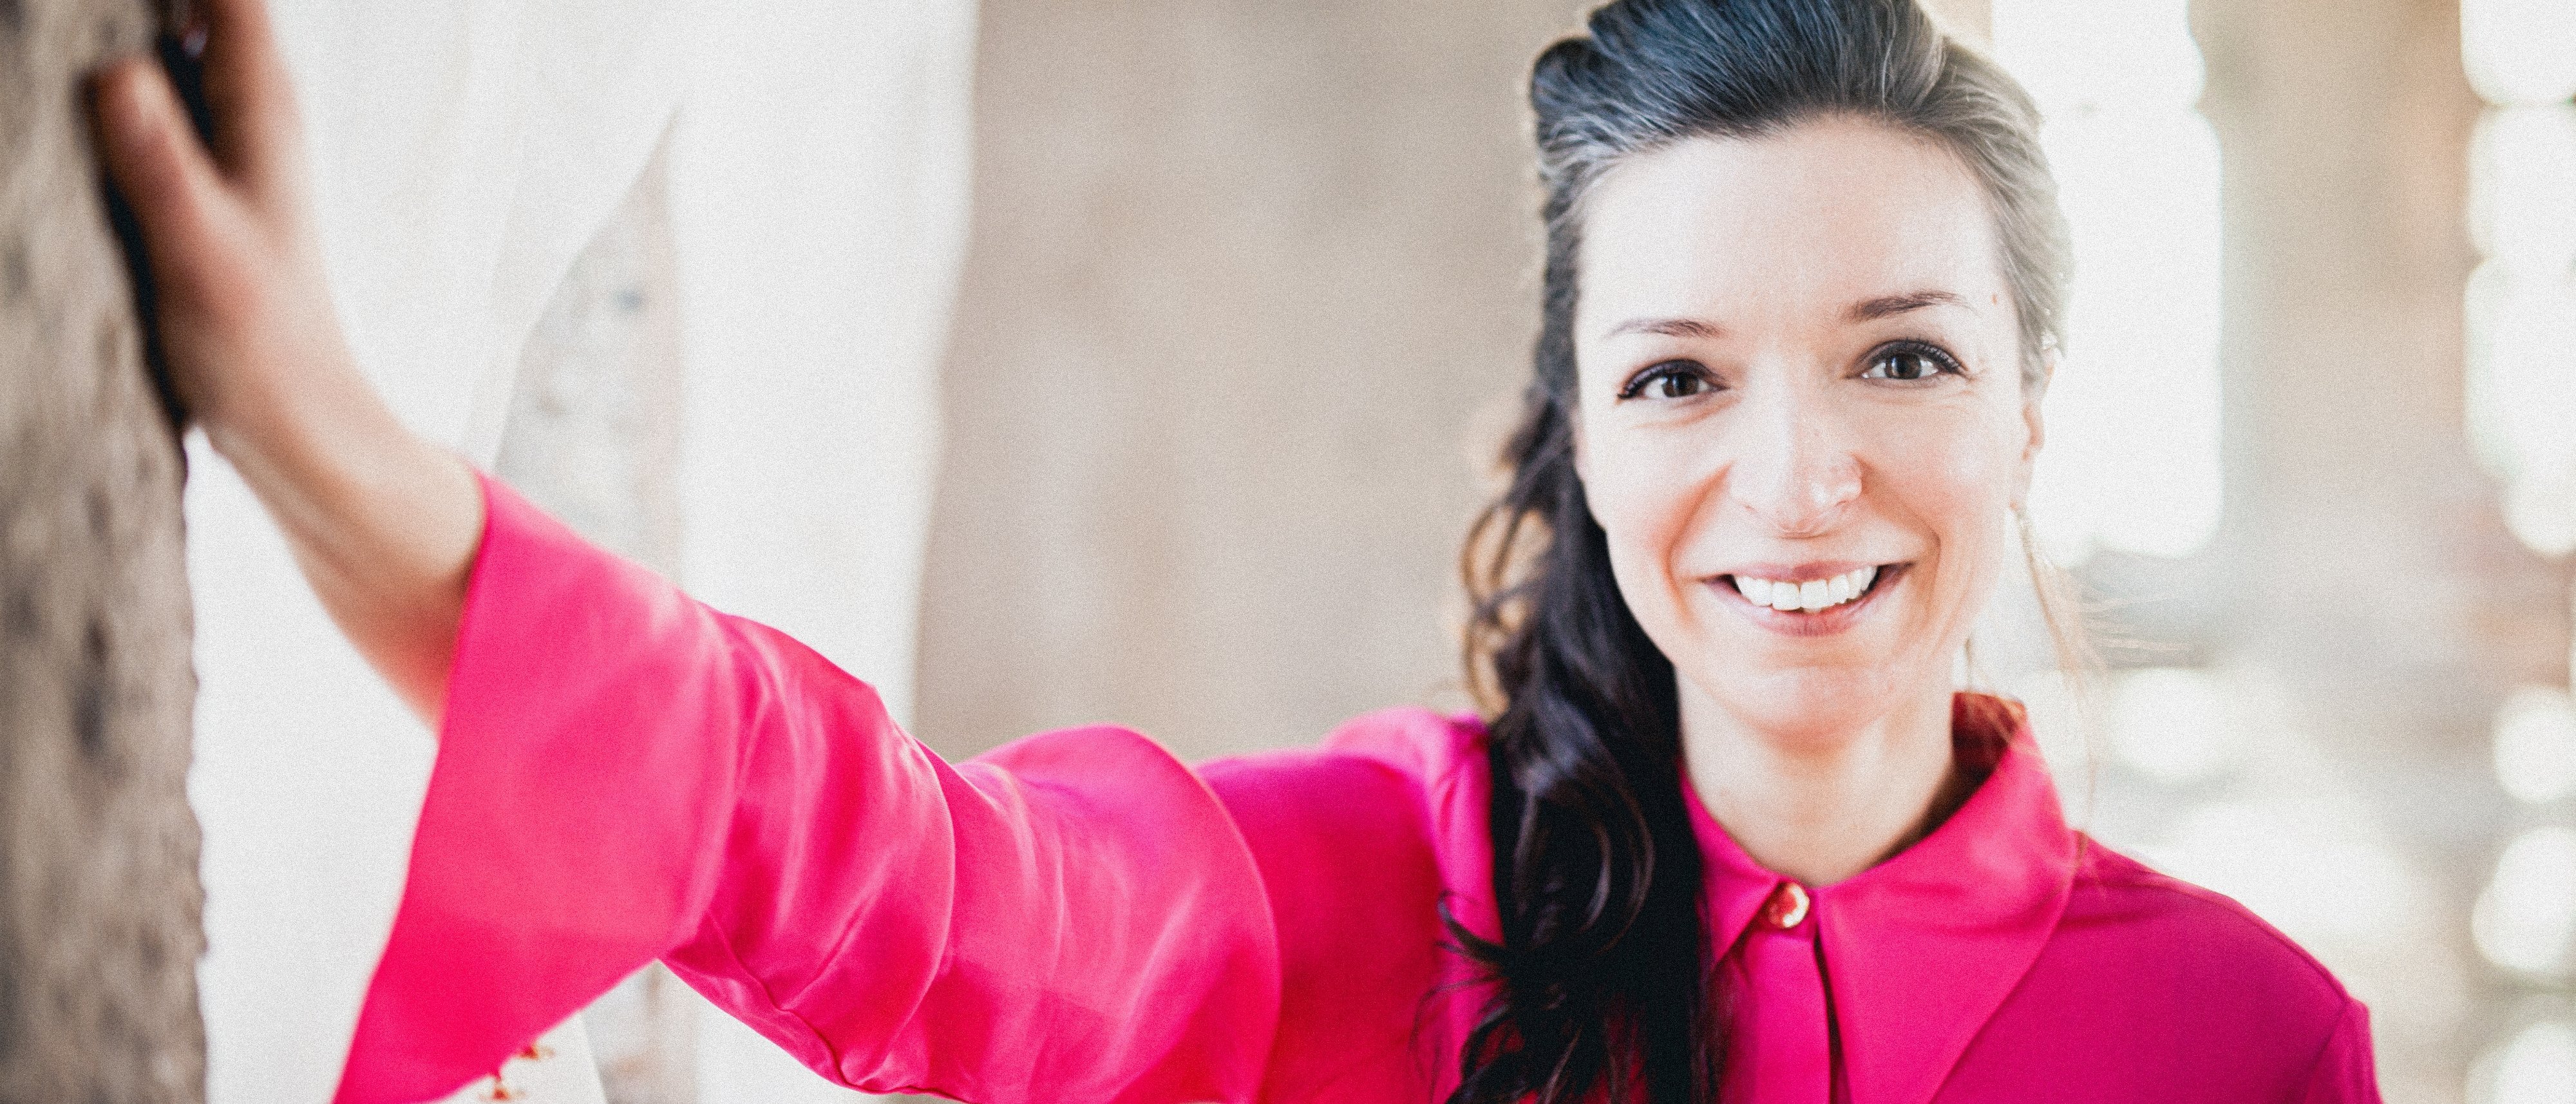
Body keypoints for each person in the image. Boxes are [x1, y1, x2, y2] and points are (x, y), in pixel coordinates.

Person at [91, 0, 2383, 1101]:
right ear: (1581, 436)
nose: (1795, 487)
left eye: (1898, 359)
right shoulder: (1370, 885)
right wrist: (348, 469)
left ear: (2033, 407)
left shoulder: (2255, 1040)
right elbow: (901, 872)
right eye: (1682, 375)